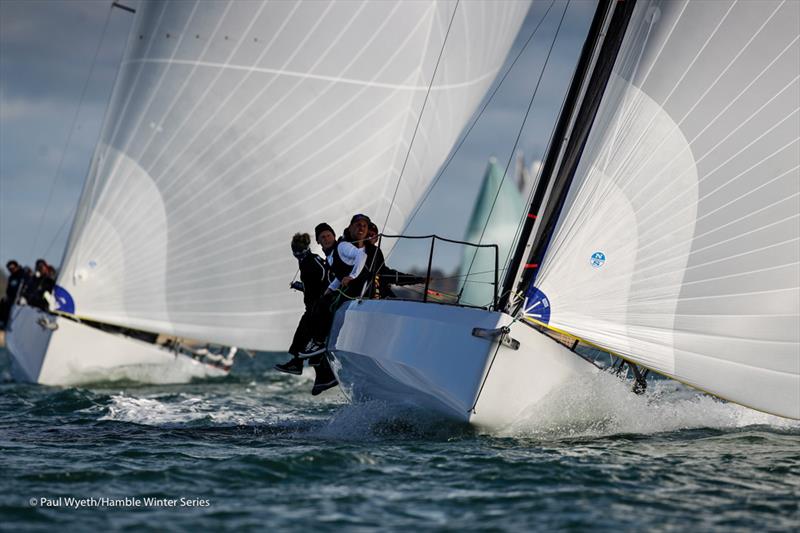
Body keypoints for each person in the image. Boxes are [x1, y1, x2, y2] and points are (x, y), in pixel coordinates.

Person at [298, 214, 371, 394]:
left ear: (333, 235)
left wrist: (353, 276)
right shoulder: (331, 257)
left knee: (323, 307)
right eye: (322, 237)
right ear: (319, 242)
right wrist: (330, 289)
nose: (326, 238)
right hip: (348, 289)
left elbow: (361, 256)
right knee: (319, 304)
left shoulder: (343, 246)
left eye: (328, 235)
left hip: (358, 288)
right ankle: (319, 357)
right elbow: (339, 276)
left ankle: (319, 342)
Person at [275, 231, 333, 375]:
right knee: (305, 339)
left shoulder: (309, 263)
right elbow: (317, 282)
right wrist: (301, 286)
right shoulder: (311, 259)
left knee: (303, 336)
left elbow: (320, 283)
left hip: (317, 307)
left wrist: (304, 288)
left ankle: (299, 365)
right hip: (317, 305)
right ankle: (307, 368)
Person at [358, 222, 426, 299]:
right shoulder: (356, 249)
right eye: (368, 234)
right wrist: (418, 279)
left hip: (375, 295)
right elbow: (384, 274)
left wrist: (418, 279)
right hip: (362, 297)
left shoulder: (375, 251)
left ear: (377, 239)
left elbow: (385, 273)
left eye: (373, 235)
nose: (370, 237)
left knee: (396, 301)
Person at [0, 260, 28, 327]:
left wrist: (24, 296)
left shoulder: (23, 275)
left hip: (19, 298)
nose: (11, 270)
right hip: (11, 298)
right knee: (3, 303)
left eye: (12, 268)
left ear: (17, 267)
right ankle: (2, 322)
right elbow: (8, 290)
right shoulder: (11, 277)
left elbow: (27, 286)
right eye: (9, 269)